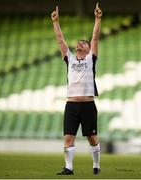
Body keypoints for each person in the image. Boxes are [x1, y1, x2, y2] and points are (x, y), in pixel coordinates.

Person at [51, 3, 102, 175]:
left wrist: (97, 19)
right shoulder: (70, 59)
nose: (80, 44)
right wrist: (55, 22)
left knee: (92, 137)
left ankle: (96, 165)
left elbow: (95, 37)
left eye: (84, 43)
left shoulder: (90, 60)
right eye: (79, 43)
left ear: (88, 49)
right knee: (68, 137)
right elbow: (60, 39)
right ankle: (69, 167)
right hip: (71, 105)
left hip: (88, 104)